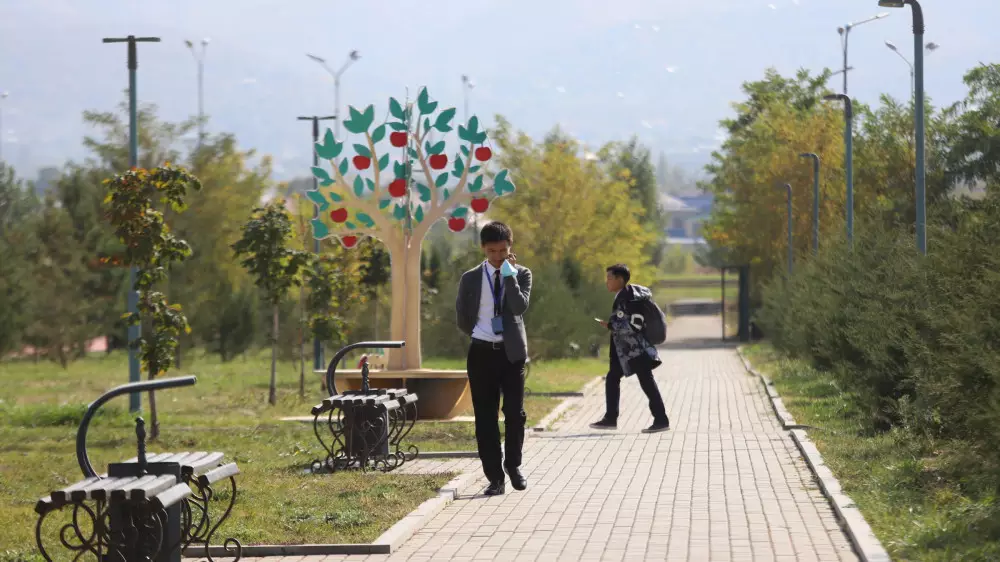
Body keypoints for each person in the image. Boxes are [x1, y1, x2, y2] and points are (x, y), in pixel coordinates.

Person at [456, 221, 532, 496]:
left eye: (502, 250)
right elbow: (462, 317)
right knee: (485, 418)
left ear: (510, 247)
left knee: (515, 414)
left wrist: (509, 276)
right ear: (483, 249)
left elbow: (519, 306)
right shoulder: (470, 278)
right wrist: (480, 334)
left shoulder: (522, 274)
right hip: (481, 354)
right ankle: (495, 477)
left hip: (512, 355)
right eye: (492, 251)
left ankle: (513, 466)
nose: (498, 256)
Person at [590, 263, 670, 434]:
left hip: (635, 350)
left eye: (609, 278)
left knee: (646, 382)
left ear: (620, 279)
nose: (607, 282)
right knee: (613, 378)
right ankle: (611, 418)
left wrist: (612, 326)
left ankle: (661, 420)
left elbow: (636, 325)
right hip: (625, 350)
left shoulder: (631, 299)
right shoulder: (623, 296)